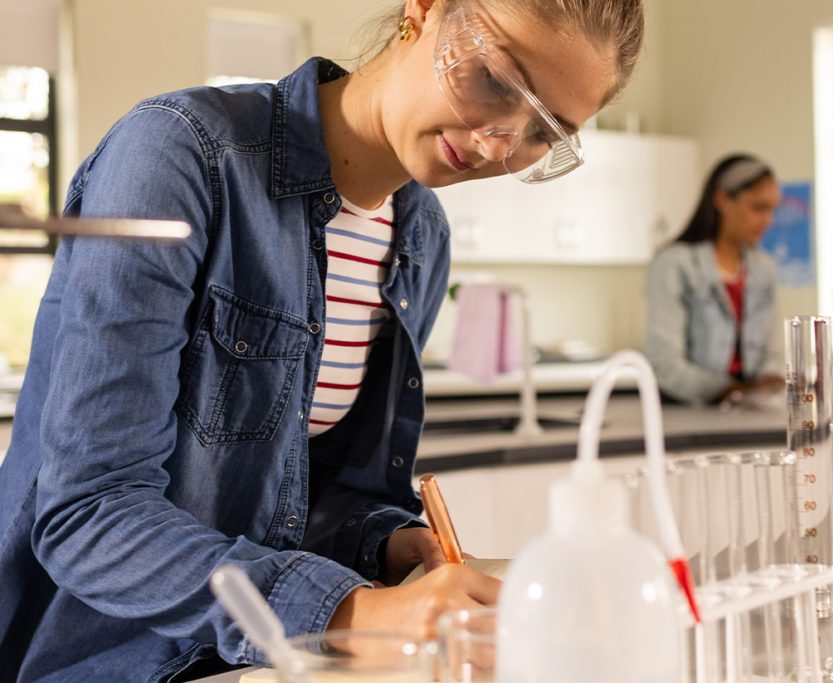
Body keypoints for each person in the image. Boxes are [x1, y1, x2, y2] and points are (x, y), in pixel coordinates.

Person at [0, 0, 644, 680]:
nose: (497, 142)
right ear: (423, 12)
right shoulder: (179, 153)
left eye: (544, 133)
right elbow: (88, 513)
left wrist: (390, 542)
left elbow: (314, 491)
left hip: (253, 660)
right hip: (99, 659)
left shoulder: (420, 237)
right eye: (495, 81)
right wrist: (352, 612)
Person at [645, 154, 783, 405]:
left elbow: (769, 352)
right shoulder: (674, 263)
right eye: (758, 208)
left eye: (771, 210)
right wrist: (728, 391)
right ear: (722, 199)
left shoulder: (764, 268)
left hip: (750, 412)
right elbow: (664, 364)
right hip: (688, 412)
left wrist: (772, 379)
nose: (768, 220)